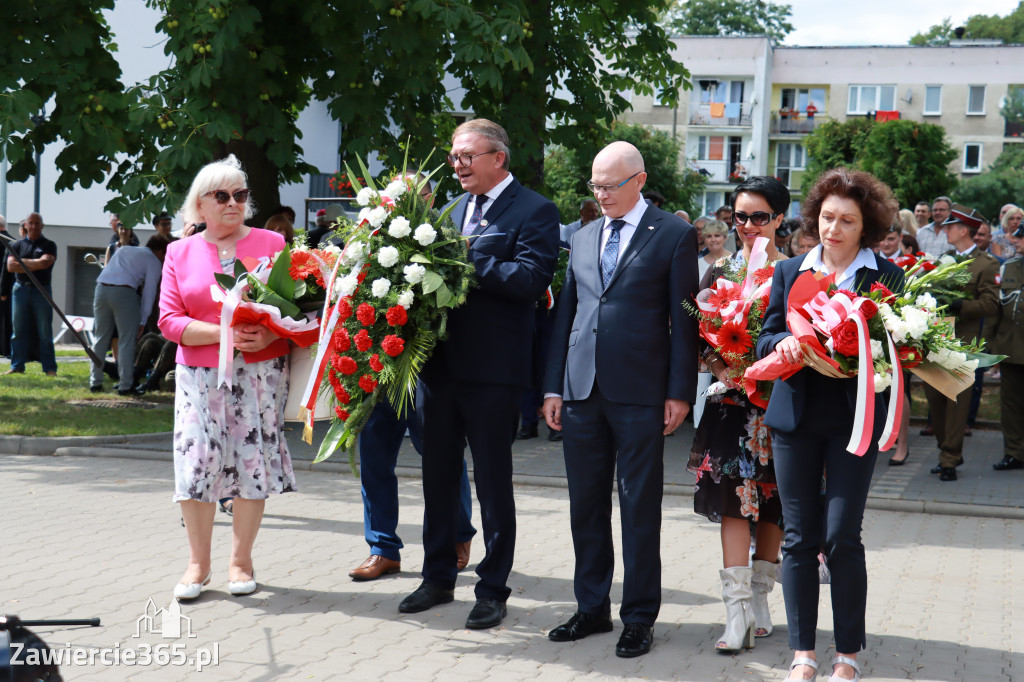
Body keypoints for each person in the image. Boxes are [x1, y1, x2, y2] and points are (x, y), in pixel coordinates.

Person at [398, 119, 559, 630]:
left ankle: (492, 588)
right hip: (439, 368)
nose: (458, 165)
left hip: (493, 371)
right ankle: (437, 577)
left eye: (467, 156)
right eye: (453, 158)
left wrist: (464, 261)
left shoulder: (535, 209)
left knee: (492, 483)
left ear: (499, 158)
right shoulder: (451, 210)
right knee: (437, 478)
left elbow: (532, 279)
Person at [542, 140, 698, 658]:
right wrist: (552, 385)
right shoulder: (583, 236)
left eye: (610, 185)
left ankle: (639, 616)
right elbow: (566, 313)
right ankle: (591, 608)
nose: (601, 194)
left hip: (641, 393)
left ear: (639, 180)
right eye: (596, 185)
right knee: (585, 505)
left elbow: (685, 321)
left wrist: (680, 391)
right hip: (582, 390)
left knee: (638, 507)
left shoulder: (674, 234)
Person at [756, 168, 905, 681]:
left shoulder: (884, 277)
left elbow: (898, 346)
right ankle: (802, 653)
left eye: (846, 220)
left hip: (853, 418)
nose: (833, 229)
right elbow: (765, 333)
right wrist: (780, 344)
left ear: (866, 226)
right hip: (795, 417)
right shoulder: (791, 271)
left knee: (841, 534)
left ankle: (848, 654)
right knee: (798, 536)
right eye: (826, 218)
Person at [159, 154, 297, 601]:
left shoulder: (273, 243)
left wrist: (268, 335)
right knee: (196, 461)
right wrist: (225, 334)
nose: (233, 203)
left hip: (259, 375)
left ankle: (241, 560)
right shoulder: (179, 251)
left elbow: (294, 314)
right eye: (221, 196)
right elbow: (169, 321)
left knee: (251, 461)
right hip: (198, 376)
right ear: (200, 205)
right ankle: (198, 564)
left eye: (239, 194)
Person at [350, 173, 476, 581]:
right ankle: (383, 547)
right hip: (381, 364)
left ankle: (458, 533)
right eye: (396, 196)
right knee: (374, 456)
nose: (404, 203)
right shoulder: (370, 236)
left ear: (429, 197)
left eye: (414, 195)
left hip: (431, 369)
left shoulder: (449, 237)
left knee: (441, 455)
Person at [688, 176, 790, 654]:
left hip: (777, 405)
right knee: (732, 501)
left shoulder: (794, 273)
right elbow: (699, 340)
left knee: (773, 503)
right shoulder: (718, 273)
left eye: (758, 217)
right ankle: (736, 613)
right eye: (739, 216)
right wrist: (722, 365)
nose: (747, 226)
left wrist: (763, 368)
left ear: (779, 219)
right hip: (730, 406)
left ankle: (762, 600)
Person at [923, 205, 999, 482]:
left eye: (949, 227)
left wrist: (960, 305)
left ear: (963, 230)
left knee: (956, 402)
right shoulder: (945, 259)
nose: (945, 230)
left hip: (963, 343)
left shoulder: (985, 264)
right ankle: (946, 449)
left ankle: (949, 459)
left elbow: (991, 304)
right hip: (938, 340)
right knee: (936, 400)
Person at [89, 231, 167, 395]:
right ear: (161, 252)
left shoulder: (125, 249)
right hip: (125, 292)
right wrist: (143, 320)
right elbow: (149, 292)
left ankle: (95, 382)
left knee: (100, 338)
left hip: (101, 289)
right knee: (127, 339)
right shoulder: (154, 261)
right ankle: (126, 385)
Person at [6, 213, 58, 377]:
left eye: (37, 223)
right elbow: (10, 267)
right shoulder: (18, 245)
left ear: (42, 226)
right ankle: (17, 366)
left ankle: (49, 368)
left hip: (41, 290)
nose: (34, 226)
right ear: (25, 226)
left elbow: (45, 263)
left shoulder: (49, 245)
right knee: (18, 330)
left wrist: (21, 262)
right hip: (20, 290)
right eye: (31, 223)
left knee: (44, 332)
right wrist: (35, 264)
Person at [991, 251, 1024, 471]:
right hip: (1011, 345)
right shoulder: (1007, 268)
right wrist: (991, 345)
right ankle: (1014, 452)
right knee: (1011, 403)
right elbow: (996, 311)